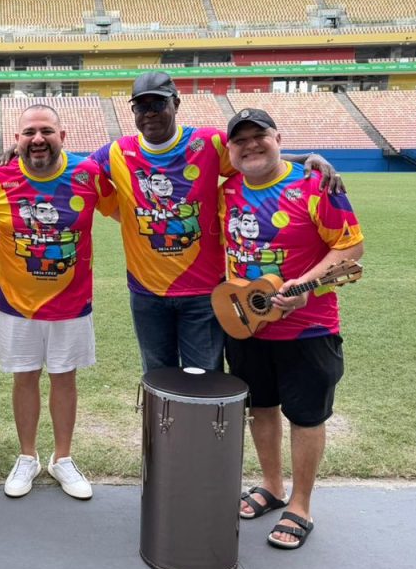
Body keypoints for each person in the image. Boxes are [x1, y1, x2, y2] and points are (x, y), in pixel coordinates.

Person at [90, 71, 343, 374]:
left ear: (176, 104)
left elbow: (253, 155)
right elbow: (75, 175)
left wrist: (306, 157)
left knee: (205, 378)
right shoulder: (116, 152)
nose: (150, 113)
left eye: (158, 104)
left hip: (204, 292)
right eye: (141, 106)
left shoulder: (207, 142)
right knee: (156, 376)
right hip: (146, 293)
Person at [221, 108, 364, 550]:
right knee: (260, 408)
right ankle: (271, 485)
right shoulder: (227, 190)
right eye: (240, 140)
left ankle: (301, 504)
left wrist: (308, 286)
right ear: (231, 150)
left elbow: (351, 249)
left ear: (278, 138)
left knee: (306, 417)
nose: (251, 145)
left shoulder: (315, 186)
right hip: (247, 324)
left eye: (259, 136)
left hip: (309, 330)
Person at [0, 104, 117, 500]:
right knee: (24, 377)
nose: (38, 139)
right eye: (29, 132)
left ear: (62, 136)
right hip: (16, 303)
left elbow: (123, 211)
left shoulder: (88, 174)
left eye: (46, 131)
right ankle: (28, 456)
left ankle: (62, 458)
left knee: (64, 377)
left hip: (72, 302)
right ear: (17, 139)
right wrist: (11, 243)